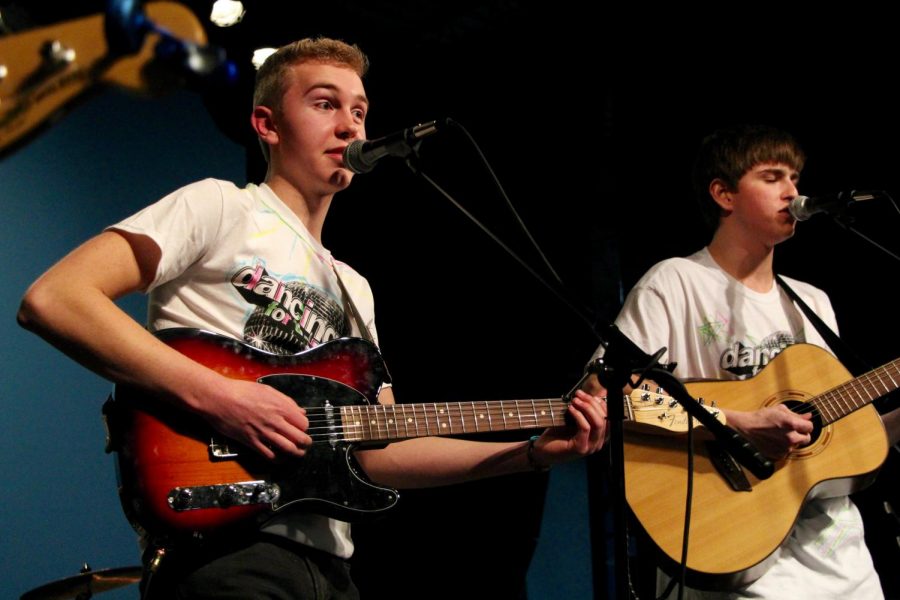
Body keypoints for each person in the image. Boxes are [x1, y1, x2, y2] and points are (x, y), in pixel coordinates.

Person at [16, 37, 608, 598]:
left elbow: (381, 450)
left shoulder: (354, 288)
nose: (350, 125)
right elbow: (57, 298)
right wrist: (226, 400)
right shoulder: (222, 207)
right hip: (226, 552)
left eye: (359, 109)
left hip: (331, 569)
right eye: (324, 103)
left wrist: (530, 452)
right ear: (267, 124)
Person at [587, 124, 900, 598]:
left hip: (846, 572)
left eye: (795, 177)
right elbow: (605, 394)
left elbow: (853, 438)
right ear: (724, 194)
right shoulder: (675, 282)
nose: (793, 191)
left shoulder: (812, 302)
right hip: (735, 558)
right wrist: (735, 423)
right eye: (772, 177)